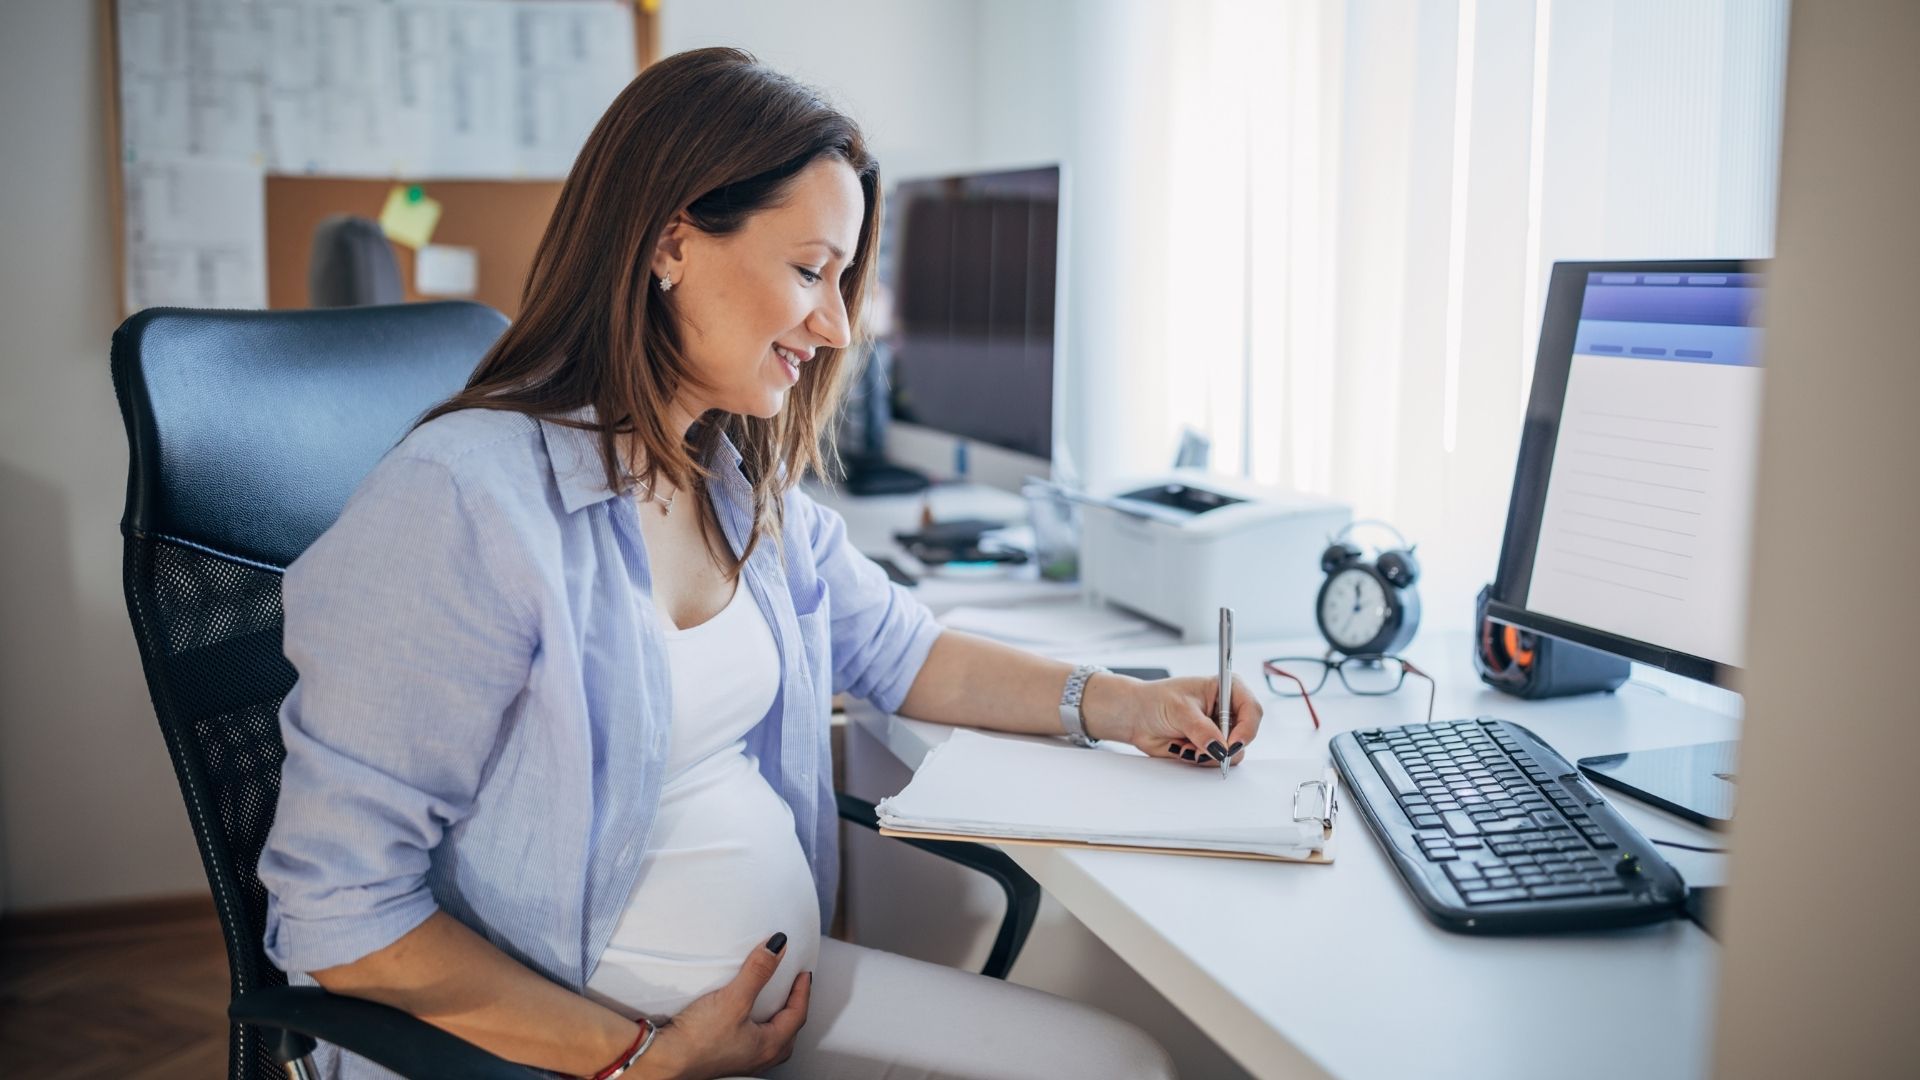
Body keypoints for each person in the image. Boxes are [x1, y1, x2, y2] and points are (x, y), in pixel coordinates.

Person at [257, 47, 1264, 1080]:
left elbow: (905, 653)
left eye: (842, 281)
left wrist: (1127, 704)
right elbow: (339, 910)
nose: (834, 327)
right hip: (578, 1055)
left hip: (751, 1020)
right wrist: (637, 1055)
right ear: (670, 244)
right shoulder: (463, 501)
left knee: (1124, 1062)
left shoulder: (730, 483)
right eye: (808, 270)